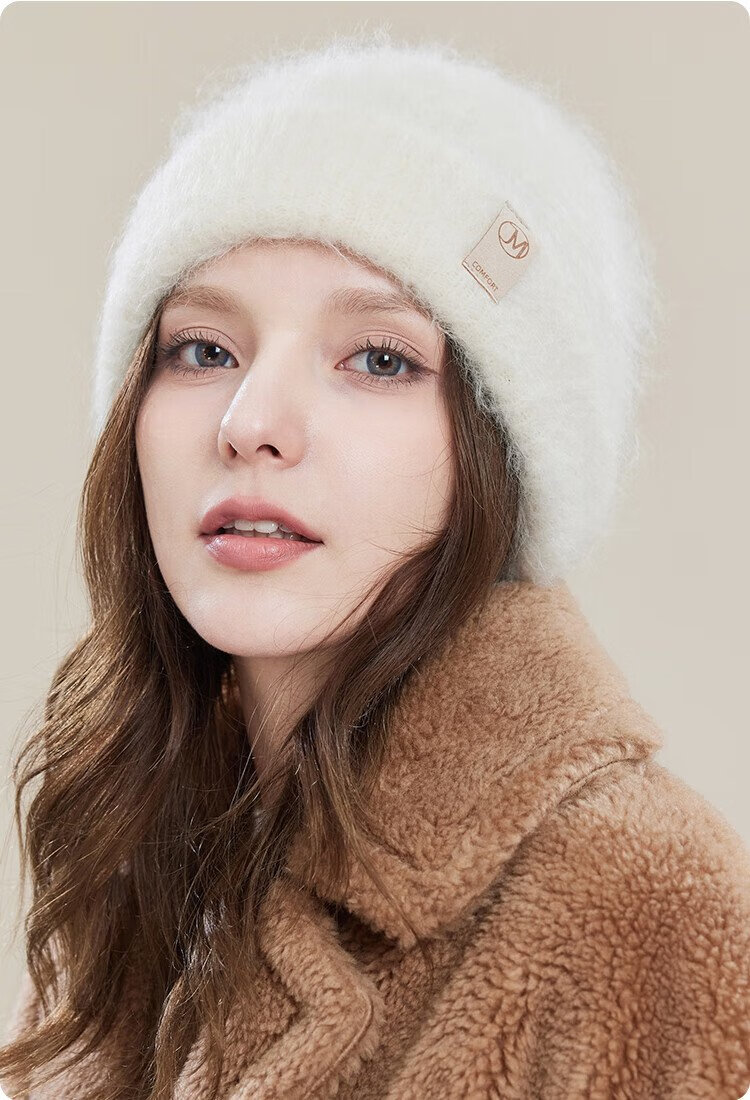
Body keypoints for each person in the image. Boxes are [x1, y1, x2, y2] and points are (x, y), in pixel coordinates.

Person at [2, 29, 749, 1100]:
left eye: (379, 359)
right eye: (204, 349)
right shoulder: (137, 869)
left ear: (495, 456)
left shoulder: (646, 897)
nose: (251, 421)